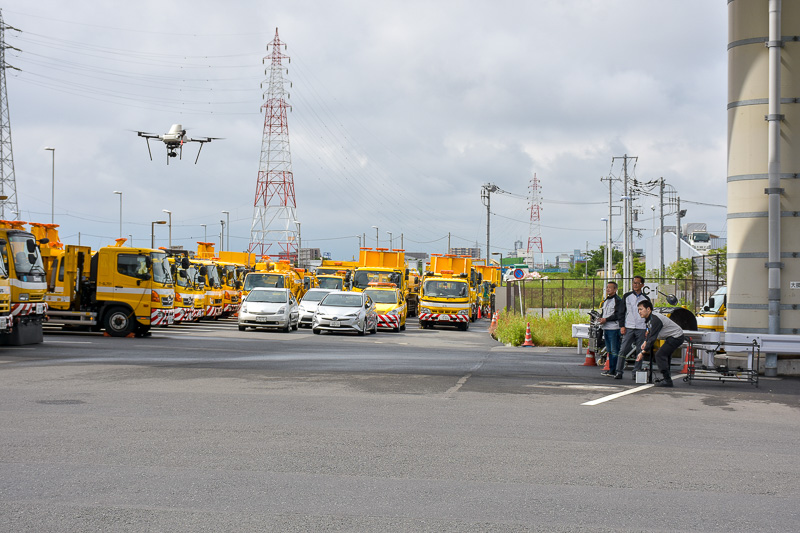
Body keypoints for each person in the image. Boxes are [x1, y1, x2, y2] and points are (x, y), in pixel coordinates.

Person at [635, 300, 685, 387]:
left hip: (676, 336)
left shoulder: (655, 319)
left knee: (660, 355)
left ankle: (667, 380)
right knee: (665, 355)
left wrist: (642, 352)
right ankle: (667, 379)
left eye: (641, 309)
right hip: (670, 337)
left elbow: (653, 338)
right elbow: (649, 332)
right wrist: (645, 341)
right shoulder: (649, 318)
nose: (639, 312)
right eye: (638, 310)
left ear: (648, 309)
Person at [614, 275, 650, 380]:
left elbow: (649, 315)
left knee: (640, 350)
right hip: (629, 326)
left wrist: (647, 328)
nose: (635, 285)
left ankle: (636, 372)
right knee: (623, 350)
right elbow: (621, 312)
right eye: (634, 283)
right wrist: (622, 326)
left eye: (638, 283)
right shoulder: (627, 296)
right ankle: (619, 371)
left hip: (641, 327)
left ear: (642, 285)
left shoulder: (646, 299)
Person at [598, 281, 624, 376]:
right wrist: (600, 318)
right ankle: (611, 369)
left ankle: (615, 370)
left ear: (615, 289)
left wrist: (606, 319)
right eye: (607, 287)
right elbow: (604, 313)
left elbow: (618, 314)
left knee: (614, 350)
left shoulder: (618, 300)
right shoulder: (606, 300)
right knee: (609, 350)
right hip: (606, 328)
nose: (608, 289)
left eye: (610, 287)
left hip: (614, 328)